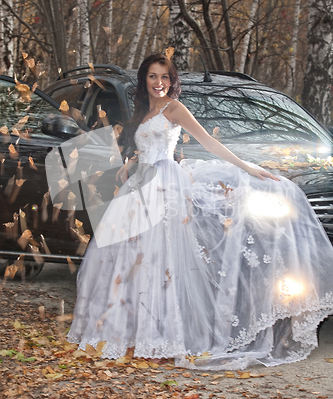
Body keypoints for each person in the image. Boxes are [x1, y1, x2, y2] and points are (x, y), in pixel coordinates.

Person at [68, 53, 333, 370]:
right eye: (153, 76)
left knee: (160, 260)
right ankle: (136, 332)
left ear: (171, 80)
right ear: (144, 80)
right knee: (133, 260)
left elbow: (208, 142)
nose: (159, 83)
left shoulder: (174, 108)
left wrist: (246, 166)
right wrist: (132, 163)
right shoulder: (144, 110)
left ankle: (163, 336)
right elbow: (146, 148)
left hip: (166, 186)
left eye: (165, 77)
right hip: (141, 186)